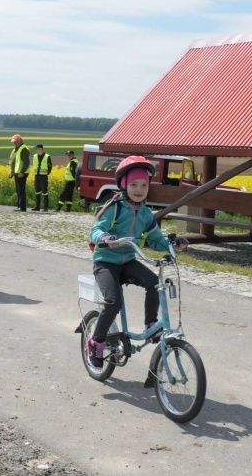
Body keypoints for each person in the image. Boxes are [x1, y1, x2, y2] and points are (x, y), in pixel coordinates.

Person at [86, 156, 188, 367]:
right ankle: (96, 342)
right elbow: (96, 229)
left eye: (144, 185)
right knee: (113, 302)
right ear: (124, 184)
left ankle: (151, 324)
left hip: (128, 261)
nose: (139, 190)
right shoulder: (114, 207)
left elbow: (155, 239)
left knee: (153, 282)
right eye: (134, 184)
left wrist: (172, 244)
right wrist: (105, 238)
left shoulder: (145, 213)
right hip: (105, 262)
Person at [8, 134, 31, 212]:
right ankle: (19, 205)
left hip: (22, 173)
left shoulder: (24, 149)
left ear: (20, 141)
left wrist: (22, 172)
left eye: (15, 142)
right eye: (13, 142)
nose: (14, 143)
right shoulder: (15, 149)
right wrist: (11, 171)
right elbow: (12, 161)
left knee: (21, 190)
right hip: (16, 172)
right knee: (18, 190)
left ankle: (22, 207)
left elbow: (26, 162)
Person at [31, 144, 52, 211]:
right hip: (36, 176)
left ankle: (46, 207)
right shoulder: (34, 156)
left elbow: (50, 167)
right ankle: (37, 206)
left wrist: (46, 173)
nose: (36, 150)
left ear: (41, 149)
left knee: (44, 191)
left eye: (37, 148)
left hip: (43, 176)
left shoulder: (47, 156)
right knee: (37, 191)